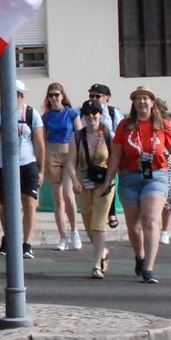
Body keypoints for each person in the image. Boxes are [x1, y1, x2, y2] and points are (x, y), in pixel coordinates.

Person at [95, 85, 171, 284]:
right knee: (134, 226)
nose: (142, 101)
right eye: (138, 98)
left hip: (156, 175)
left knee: (150, 219)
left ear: (152, 103)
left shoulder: (163, 125)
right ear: (133, 103)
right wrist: (109, 180)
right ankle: (139, 256)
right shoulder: (125, 125)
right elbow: (115, 155)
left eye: (146, 98)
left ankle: (149, 268)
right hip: (129, 177)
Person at [0, 80, 44, 260]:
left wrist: (41, 169)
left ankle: (27, 243)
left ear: (21, 95)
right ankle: (9, 238)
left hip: (27, 163)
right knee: (6, 205)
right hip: (5, 165)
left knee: (29, 203)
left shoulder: (31, 114)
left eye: (16, 94)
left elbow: (40, 143)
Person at [73, 99, 116, 278]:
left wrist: (109, 180)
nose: (91, 116)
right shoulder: (77, 136)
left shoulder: (107, 135)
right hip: (84, 184)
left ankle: (96, 265)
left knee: (98, 226)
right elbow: (70, 162)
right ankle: (103, 251)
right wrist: (74, 180)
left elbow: (115, 159)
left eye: (95, 113)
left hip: (104, 185)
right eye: (88, 114)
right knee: (90, 227)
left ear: (100, 114)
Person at [40, 83, 80, 250]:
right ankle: (62, 236)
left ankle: (74, 231)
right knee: (58, 198)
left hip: (68, 151)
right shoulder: (46, 116)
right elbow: (41, 138)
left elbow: (79, 134)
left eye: (57, 94)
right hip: (52, 152)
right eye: (51, 95)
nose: (54, 98)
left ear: (62, 95)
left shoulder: (71, 113)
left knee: (68, 195)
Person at [86, 83, 123, 229]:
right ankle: (95, 213)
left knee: (108, 181)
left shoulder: (113, 113)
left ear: (106, 98)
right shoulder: (86, 111)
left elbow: (120, 130)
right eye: (91, 95)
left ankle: (111, 213)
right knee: (91, 182)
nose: (94, 98)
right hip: (90, 153)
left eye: (97, 96)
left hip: (108, 152)